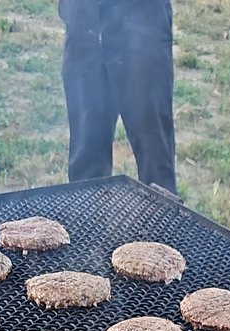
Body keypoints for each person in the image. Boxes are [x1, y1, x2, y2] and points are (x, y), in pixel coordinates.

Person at [58, 0, 177, 194]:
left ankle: (162, 222)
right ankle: (87, 222)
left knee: (154, 159)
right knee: (86, 162)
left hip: (142, 20)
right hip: (83, 19)